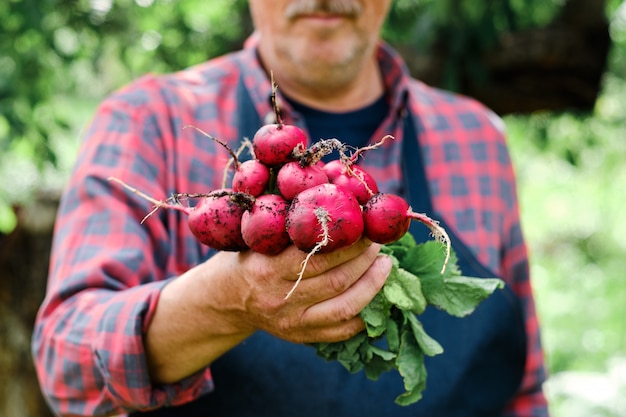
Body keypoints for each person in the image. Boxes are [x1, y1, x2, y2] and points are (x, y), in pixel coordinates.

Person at [32, 0, 550, 416]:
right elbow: (65, 365)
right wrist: (222, 302)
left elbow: (520, 384)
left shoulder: (476, 135)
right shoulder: (148, 120)